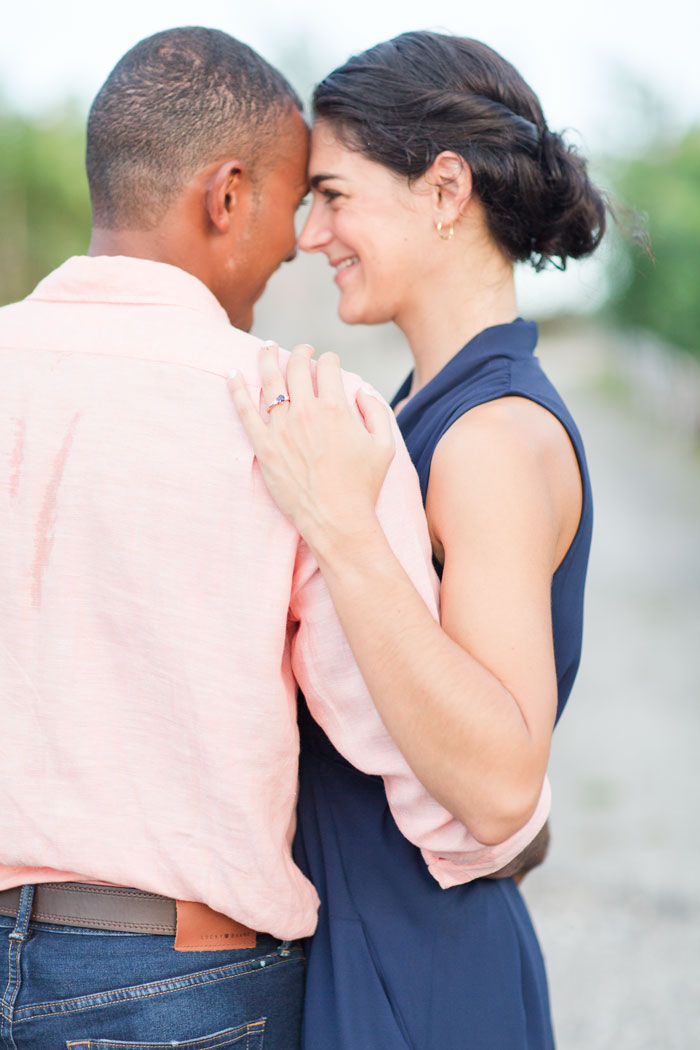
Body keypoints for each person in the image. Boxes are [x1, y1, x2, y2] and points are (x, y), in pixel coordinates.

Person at [0, 27, 549, 1050]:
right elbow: (412, 757)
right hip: (175, 986)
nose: (301, 238)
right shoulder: (297, 411)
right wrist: (507, 834)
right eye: (299, 197)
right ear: (226, 197)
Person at [229, 30, 604, 1050]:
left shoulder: (489, 438)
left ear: (444, 189)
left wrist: (340, 529)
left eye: (335, 194)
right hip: (372, 944)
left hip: (420, 974)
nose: (311, 233)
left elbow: (495, 783)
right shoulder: (422, 412)